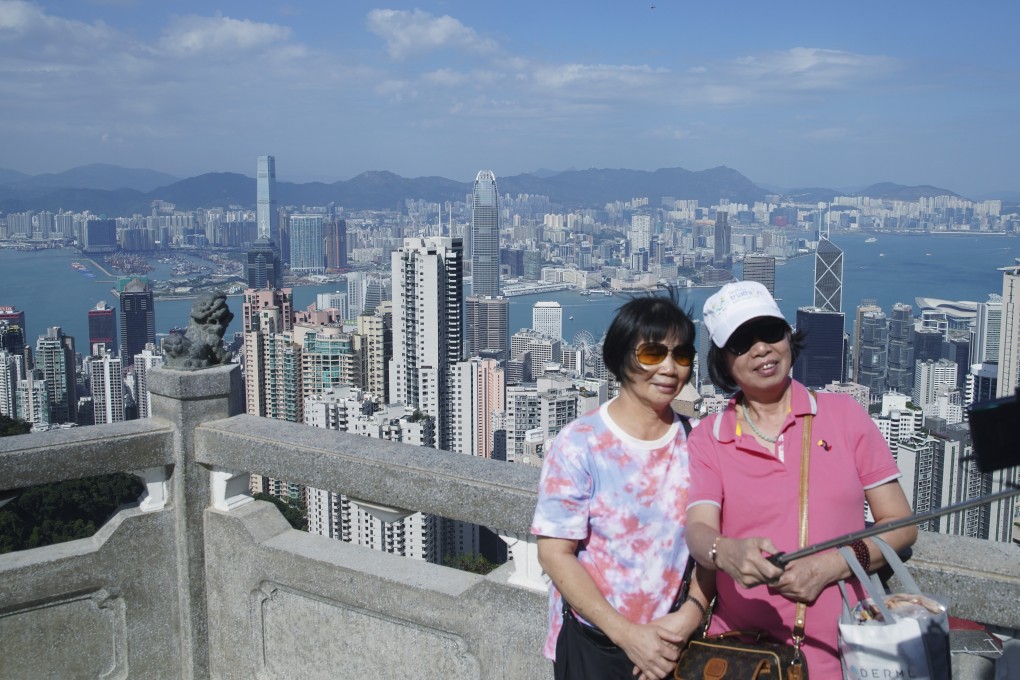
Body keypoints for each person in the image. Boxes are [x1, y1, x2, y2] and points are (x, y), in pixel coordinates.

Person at [685, 280, 918, 678]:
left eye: (771, 332)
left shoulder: (844, 416)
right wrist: (725, 552)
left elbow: (900, 525)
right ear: (723, 361)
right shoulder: (710, 436)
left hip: (841, 655)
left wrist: (830, 566)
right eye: (741, 342)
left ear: (789, 338)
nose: (761, 348)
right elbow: (698, 528)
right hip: (740, 655)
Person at [531, 292, 713, 680]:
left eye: (681, 356)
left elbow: (709, 544)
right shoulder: (581, 443)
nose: (669, 367)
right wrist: (628, 636)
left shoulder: (696, 444)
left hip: (675, 644)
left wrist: (689, 616)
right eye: (652, 354)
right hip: (595, 644)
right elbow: (554, 554)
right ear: (620, 357)